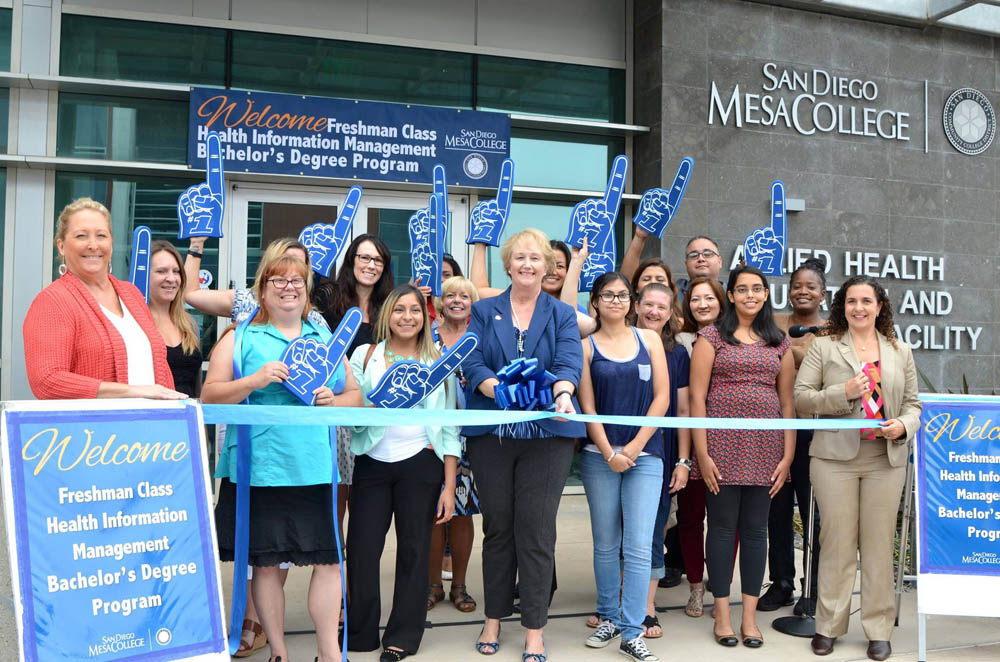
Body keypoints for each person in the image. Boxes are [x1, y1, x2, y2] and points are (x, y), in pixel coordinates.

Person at [204, 253, 362, 662]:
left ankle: (329, 653)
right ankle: (278, 650)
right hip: (260, 469)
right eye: (279, 280)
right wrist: (255, 380)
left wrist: (334, 401)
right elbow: (210, 396)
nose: (289, 287)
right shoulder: (238, 338)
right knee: (268, 565)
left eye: (297, 281)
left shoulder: (323, 339)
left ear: (308, 291)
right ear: (262, 288)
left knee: (329, 562)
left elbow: (355, 396)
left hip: (312, 466)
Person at [463, 228, 584, 662]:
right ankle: (493, 618)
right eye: (520, 258)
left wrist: (563, 392)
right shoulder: (483, 309)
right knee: (497, 529)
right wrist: (496, 389)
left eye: (537, 259)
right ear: (508, 263)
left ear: (548, 266)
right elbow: (470, 358)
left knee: (535, 532)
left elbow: (570, 361)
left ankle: (534, 628)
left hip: (547, 438)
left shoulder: (562, 313)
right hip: (493, 436)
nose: (528, 265)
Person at [795, 276, 920, 662]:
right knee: (837, 544)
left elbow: (914, 404)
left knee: (879, 546)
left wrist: (903, 425)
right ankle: (828, 626)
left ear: (880, 306)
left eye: (867, 301)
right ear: (842, 306)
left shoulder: (899, 350)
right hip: (834, 461)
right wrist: (842, 393)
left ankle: (878, 629)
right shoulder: (824, 347)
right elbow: (801, 399)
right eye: (852, 301)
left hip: (885, 459)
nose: (859, 308)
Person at [347, 284, 460, 662]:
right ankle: (360, 632)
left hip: (421, 463)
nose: (407, 317)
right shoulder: (365, 355)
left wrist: (449, 484)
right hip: (372, 464)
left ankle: (403, 636)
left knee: (414, 550)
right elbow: (352, 407)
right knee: (362, 550)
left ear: (425, 317)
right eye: (399, 310)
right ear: (386, 316)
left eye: (414, 310)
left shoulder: (438, 359)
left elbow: (448, 427)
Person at [689, 264, 795, 649]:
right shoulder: (711, 337)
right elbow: (697, 398)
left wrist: (788, 455)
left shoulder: (778, 342)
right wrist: (701, 452)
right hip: (720, 446)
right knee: (719, 530)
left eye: (758, 289)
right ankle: (721, 614)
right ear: (730, 295)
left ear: (766, 295)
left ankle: (748, 617)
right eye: (742, 289)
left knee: (755, 531)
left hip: (766, 449)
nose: (750, 295)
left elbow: (787, 402)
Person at [578, 273, 668, 662]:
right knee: (605, 544)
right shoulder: (585, 346)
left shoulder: (649, 339)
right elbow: (588, 407)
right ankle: (609, 617)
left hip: (645, 456)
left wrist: (631, 448)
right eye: (607, 295)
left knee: (638, 546)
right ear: (594, 302)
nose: (616, 300)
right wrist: (609, 450)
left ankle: (632, 630)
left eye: (623, 295)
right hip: (600, 456)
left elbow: (662, 398)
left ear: (632, 301)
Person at [24, 198, 184, 401]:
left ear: (111, 242)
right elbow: (46, 381)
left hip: (151, 428)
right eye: (81, 236)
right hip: (95, 430)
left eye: (101, 235)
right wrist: (134, 391)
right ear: (61, 245)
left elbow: (159, 367)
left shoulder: (131, 294)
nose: (93, 245)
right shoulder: (53, 301)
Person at [313, 233, 396, 561]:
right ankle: (335, 554)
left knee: (362, 491)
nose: (370, 265)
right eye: (364, 258)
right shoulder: (327, 296)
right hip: (333, 405)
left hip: (373, 410)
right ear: (351, 261)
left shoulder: (388, 306)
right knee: (337, 491)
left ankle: (352, 559)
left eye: (378, 260)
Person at [759, 258, 827, 615]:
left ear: (822, 294)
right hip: (775, 431)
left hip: (815, 434)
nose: (803, 291)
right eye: (797, 285)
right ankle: (782, 583)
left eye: (810, 286)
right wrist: (800, 355)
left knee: (814, 513)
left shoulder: (833, 330)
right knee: (777, 510)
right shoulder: (774, 322)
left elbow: (825, 368)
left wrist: (790, 352)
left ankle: (811, 589)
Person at [633, 282, 691, 636]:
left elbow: (683, 409)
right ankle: (620, 601)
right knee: (617, 534)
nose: (654, 312)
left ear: (671, 313)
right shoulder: (614, 342)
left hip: (661, 453)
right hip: (615, 452)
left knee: (653, 532)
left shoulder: (677, 353)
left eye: (662, 307)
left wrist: (683, 461)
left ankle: (647, 606)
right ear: (636, 305)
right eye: (648, 304)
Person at [427, 276, 480, 614]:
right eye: (450, 295)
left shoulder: (481, 338)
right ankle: (433, 584)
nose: (457, 300)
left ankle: (459, 585)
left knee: (462, 511)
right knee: (434, 512)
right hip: (431, 434)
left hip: (471, 436)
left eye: (464, 295)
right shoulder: (426, 337)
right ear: (440, 302)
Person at [674, 277, 727, 618]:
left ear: (722, 301)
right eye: (696, 299)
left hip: (727, 442)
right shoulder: (680, 341)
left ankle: (719, 585)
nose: (703, 304)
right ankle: (695, 586)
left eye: (709, 298)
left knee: (725, 520)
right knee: (691, 517)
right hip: (690, 439)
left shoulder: (737, 339)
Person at [148, 241, 203, 398]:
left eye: (176, 271)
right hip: (150, 418)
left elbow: (196, 385)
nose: (171, 278)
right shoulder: (133, 323)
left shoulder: (189, 324)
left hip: (187, 417)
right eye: (161, 271)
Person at [677, 236, 724, 300]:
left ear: (720, 262)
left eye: (707, 254)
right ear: (686, 264)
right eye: (693, 255)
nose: (701, 259)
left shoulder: (733, 294)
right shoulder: (673, 292)